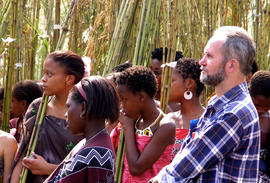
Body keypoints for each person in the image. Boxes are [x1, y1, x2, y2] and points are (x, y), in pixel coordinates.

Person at [150, 26, 260, 182]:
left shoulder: (234, 113)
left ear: (231, 65)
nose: (201, 62)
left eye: (209, 56)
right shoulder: (219, 103)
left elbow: (183, 168)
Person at [8, 51, 85, 183]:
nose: (43, 78)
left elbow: (86, 170)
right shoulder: (37, 107)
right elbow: (23, 157)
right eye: (44, 73)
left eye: (49, 74)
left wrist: (49, 168)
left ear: (69, 79)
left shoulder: (84, 113)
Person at [45, 76, 119, 183]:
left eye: (68, 106)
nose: (66, 114)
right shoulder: (87, 144)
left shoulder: (98, 154)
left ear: (83, 108)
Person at [111, 66, 175, 182]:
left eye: (124, 99)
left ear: (141, 97)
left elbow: (136, 168)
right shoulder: (135, 120)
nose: (121, 105)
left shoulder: (165, 126)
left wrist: (128, 127)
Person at [167, 58, 204, 158]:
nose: (166, 86)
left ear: (189, 83)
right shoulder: (167, 120)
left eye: (172, 81)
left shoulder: (207, 121)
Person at [250, 70, 270, 182]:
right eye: (257, 105)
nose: (261, 110)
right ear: (249, 93)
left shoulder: (268, 119)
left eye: (267, 108)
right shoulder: (242, 115)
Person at [150, 47, 183, 112]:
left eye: (157, 72)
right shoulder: (145, 101)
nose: (151, 75)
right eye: (150, 71)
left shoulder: (179, 108)